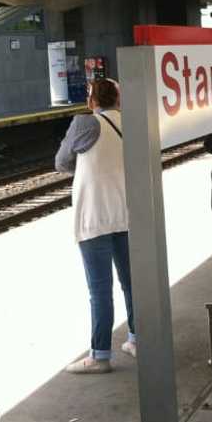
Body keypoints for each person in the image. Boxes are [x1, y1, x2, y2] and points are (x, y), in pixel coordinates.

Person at [56, 78, 136, 374]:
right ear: (119, 98)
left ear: (92, 101)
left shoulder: (84, 125)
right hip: (125, 213)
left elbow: (61, 162)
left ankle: (100, 355)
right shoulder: (131, 123)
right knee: (131, 282)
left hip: (93, 215)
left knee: (100, 289)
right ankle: (137, 339)